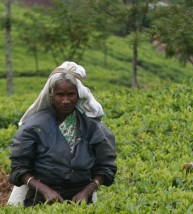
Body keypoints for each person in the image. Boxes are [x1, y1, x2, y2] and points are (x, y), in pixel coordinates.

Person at [8, 61, 117, 206]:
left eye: (71, 94)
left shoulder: (93, 127)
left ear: (78, 95)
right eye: (60, 95)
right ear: (51, 96)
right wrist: (45, 190)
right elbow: (19, 167)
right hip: (40, 200)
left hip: (82, 200)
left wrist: (87, 191)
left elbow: (106, 166)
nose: (65, 101)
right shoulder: (33, 126)